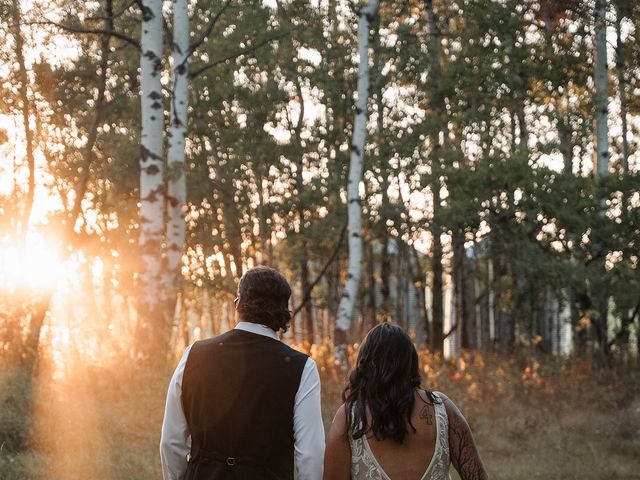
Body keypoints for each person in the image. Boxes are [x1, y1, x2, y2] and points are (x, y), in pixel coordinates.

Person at [160, 266, 325, 480]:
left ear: (239, 304)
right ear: (285, 312)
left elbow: (171, 443)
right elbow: (311, 456)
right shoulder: (302, 368)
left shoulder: (194, 355)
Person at [323, 323, 487, 480]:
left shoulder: (349, 417)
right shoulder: (442, 409)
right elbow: (477, 476)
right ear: (411, 362)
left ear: (365, 364)